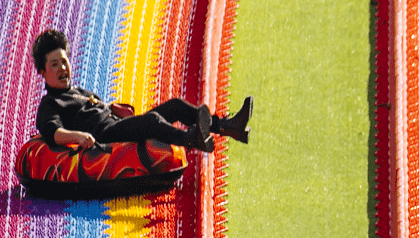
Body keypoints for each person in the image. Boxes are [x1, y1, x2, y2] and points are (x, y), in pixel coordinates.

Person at [31, 29, 253, 153]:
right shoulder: (50, 104)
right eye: (54, 64)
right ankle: (190, 139)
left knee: (175, 105)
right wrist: (79, 136)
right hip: (105, 136)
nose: (62, 68)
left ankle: (226, 126)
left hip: (117, 125)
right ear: (42, 71)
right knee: (153, 120)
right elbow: (53, 132)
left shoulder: (79, 91)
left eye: (64, 61)